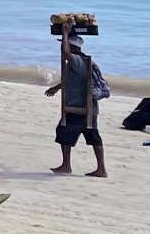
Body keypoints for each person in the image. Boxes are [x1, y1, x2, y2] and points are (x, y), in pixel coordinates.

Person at [44, 35, 107, 177]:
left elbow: (65, 53)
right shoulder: (83, 61)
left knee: (65, 131)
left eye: (65, 44)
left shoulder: (77, 60)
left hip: (79, 108)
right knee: (91, 134)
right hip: (86, 108)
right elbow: (74, 80)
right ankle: (100, 168)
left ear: (73, 47)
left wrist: (65, 33)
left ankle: (67, 166)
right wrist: (57, 87)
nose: (62, 48)